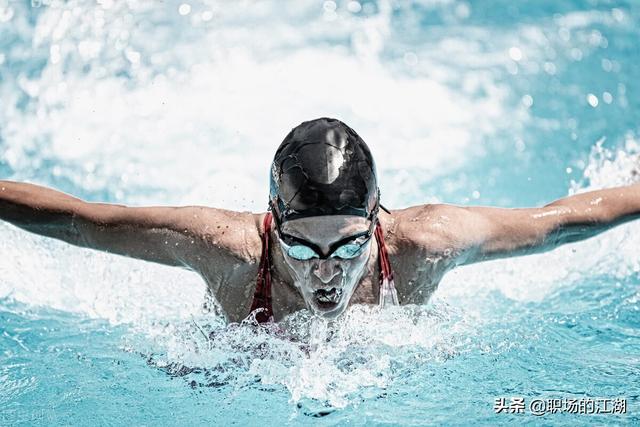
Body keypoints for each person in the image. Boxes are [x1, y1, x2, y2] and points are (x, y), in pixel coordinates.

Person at [1, 118, 639, 323]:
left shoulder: (424, 245)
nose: (328, 272)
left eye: (350, 247)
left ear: (376, 222)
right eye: (303, 251)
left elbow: (558, 223)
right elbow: (81, 221)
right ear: (273, 224)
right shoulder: (229, 253)